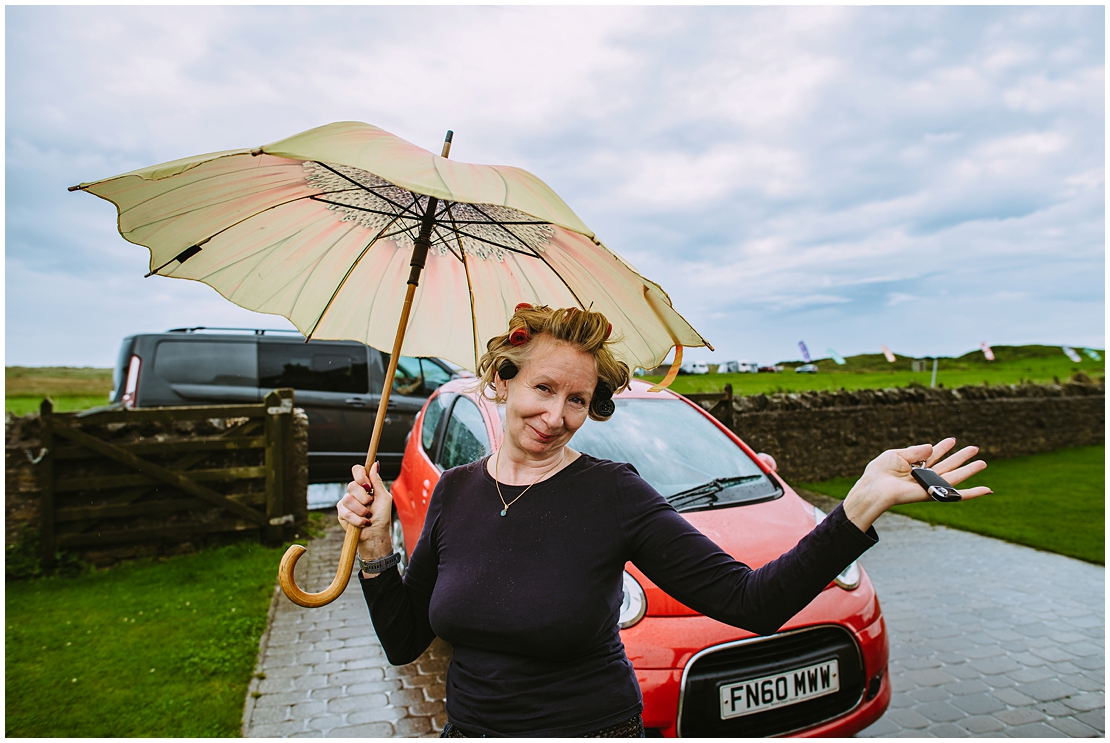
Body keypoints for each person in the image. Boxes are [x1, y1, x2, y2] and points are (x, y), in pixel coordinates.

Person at [338, 306, 991, 738]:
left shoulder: (611, 494)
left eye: (578, 399)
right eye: (544, 388)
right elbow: (403, 641)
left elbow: (753, 601)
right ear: (502, 382)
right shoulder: (455, 492)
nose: (559, 413)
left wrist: (858, 506)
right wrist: (373, 550)